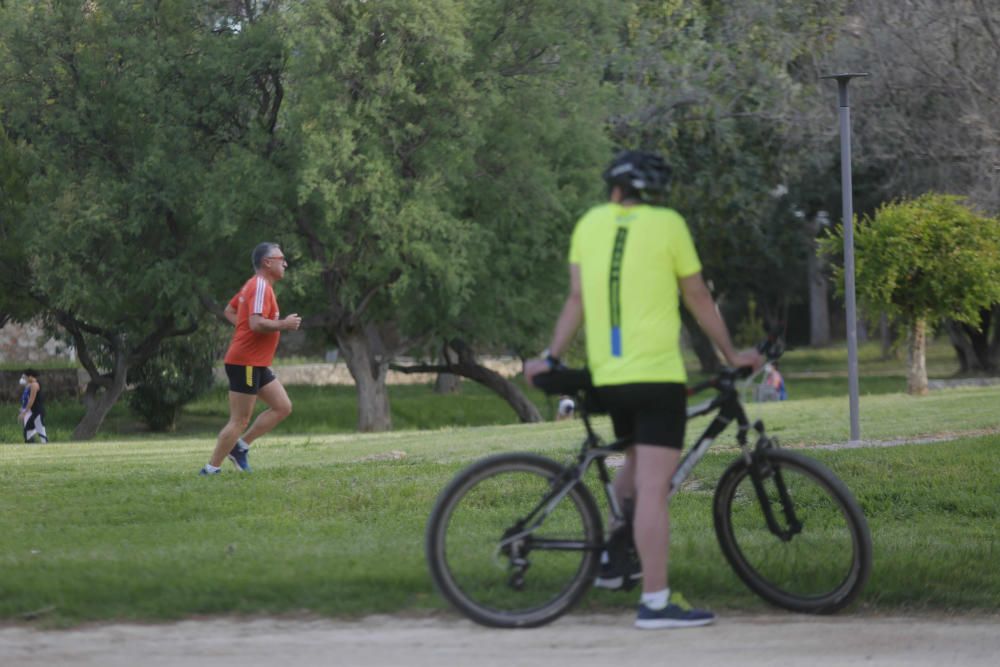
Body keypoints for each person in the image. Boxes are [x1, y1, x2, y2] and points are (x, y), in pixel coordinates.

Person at [523, 150, 761, 630]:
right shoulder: (668, 224)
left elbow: (577, 299)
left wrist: (550, 354)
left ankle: (613, 557)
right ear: (654, 194)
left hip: (609, 379)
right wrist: (732, 355)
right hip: (656, 379)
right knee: (654, 488)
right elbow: (696, 296)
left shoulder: (589, 224)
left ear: (614, 190)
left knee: (634, 462)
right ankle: (655, 602)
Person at [200, 243, 302, 476]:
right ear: (267, 262)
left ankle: (240, 448)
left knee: (282, 406)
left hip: (256, 362)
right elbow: (256, 323)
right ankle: (210, 469)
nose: (285, 263)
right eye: (281, 258)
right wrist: (284, 324)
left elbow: (229, 310)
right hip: (245, 362)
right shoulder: (259, 286)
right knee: (239, 420)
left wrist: (244, 329)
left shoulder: (254, 285)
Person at [17, 369, 48, 443]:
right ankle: (32, 446)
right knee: (28, 431)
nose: (25, 379)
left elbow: (31, 400)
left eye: (26, 377)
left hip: (38, 412)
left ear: (30, 377)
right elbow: (26, 398)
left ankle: (45, 445)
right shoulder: (31, 385)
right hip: (35, 412)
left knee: (40, 431)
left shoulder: (35, 385)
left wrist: (24, 412)